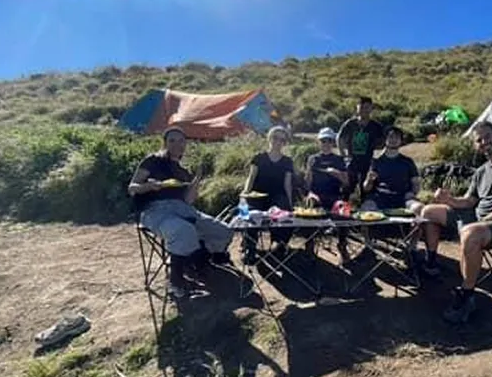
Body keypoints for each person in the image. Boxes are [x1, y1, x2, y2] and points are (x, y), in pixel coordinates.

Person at [419, 121, 492, 324]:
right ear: (475, 145)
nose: (484, 142)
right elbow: (469, 201)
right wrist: (449, 200)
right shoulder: (481, 171)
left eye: (487, 136)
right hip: (479, 219)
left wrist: (486, 220)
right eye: (479, 140)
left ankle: (466, 295)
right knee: (429, 211)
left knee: (470, 233)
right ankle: (431, 263)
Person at [128, 126, 233, 298]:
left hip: (183, 208)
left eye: (181, 141)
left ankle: (197, 261)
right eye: (172, 141)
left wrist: (197, 179)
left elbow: (189, 200)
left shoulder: (183, 171)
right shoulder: (153, 160)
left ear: (186, 144)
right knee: (183, 230)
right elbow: (132, 188)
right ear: (165, 143)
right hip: (155, 210)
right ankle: (176, 282)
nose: (177, 144)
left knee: (224, 231)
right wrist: (150, 185)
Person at [241, 126, 295, 261]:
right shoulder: (258, 158)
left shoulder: (287, 161)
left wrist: (290, 203)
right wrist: (245, 193)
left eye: (282, 140)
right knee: (250, 213)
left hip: (277, 195)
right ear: (269, 139)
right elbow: (251, 177)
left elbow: (287, 184)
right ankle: (250, 247)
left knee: (285, 212)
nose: (278, 142)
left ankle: (279, 244)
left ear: (285, 143)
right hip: (258, 194)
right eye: (275, 138)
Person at [304, 127, 351, 263]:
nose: (326, 143)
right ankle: (310, 243)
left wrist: (337, 173)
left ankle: (342, 245)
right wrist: (309, 170)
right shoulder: (313, 159)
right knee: (311, 204)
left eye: (329, 140)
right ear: (319, 142)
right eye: (323, 141)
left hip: (334, 196)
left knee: (344, 208)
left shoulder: (339, 160)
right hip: (316, 194)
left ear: (333, 143)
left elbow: (347, 183)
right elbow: (307, 185)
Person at [361, 126, 424, 214]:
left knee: (420, 208)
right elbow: (366, 188)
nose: (393, 139)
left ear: (401, 141)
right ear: (385, 140)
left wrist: (413, 193)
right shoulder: (376, 161)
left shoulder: (408, 162)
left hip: (403, 198)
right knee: (366, 208)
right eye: (390, 136)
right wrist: (369, 180)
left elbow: (416, 183)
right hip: (380, 198)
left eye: (397, 137)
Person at [337, 96, 385, 200]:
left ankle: (366, 208)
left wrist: (378, 157)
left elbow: (384, 142)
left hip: (367, 161)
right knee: (348, 189)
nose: (364, 110)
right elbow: (340, 138)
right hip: (352, 161)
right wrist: (343, 155)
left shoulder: (376, 126)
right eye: (362, 107)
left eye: (367, 107)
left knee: (367, 188)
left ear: (371, 108)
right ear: (357, 108)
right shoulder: (350, 124)